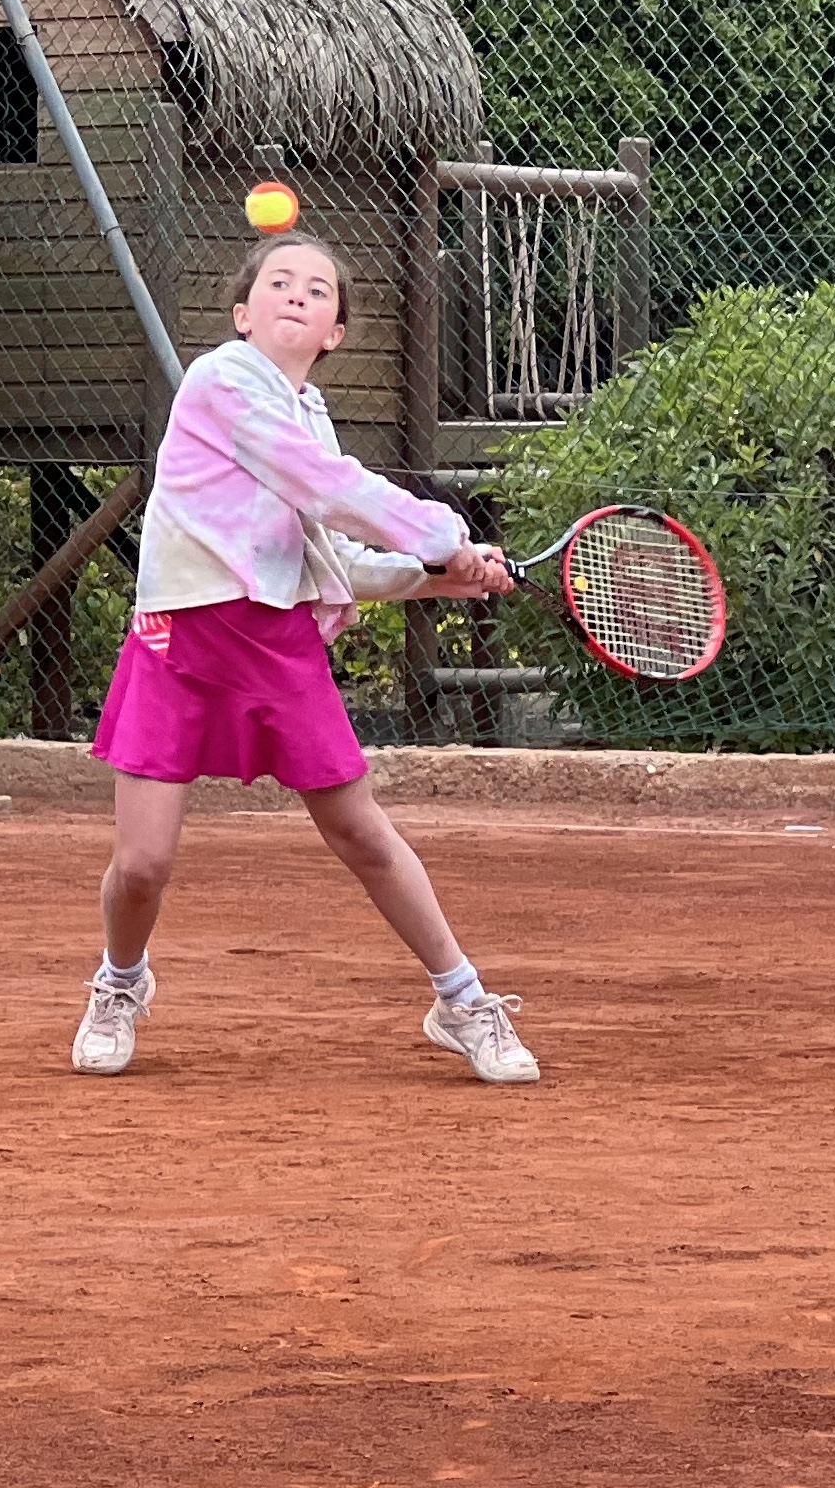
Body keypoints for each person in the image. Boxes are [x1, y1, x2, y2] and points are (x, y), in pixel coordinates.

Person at [75, 231, 535, 1084]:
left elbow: (334, 561)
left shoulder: (308, 417)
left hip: (278, 646)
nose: (297, 294)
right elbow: (331, 490)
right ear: (243, 315)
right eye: (278, 283)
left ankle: (462, 999)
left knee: (362, 832)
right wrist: (446, 539)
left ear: (335, 332)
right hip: (180, 641)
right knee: (143, 863)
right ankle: (120, 982)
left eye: (319, 290)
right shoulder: (221, 383)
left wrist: (442, 579)